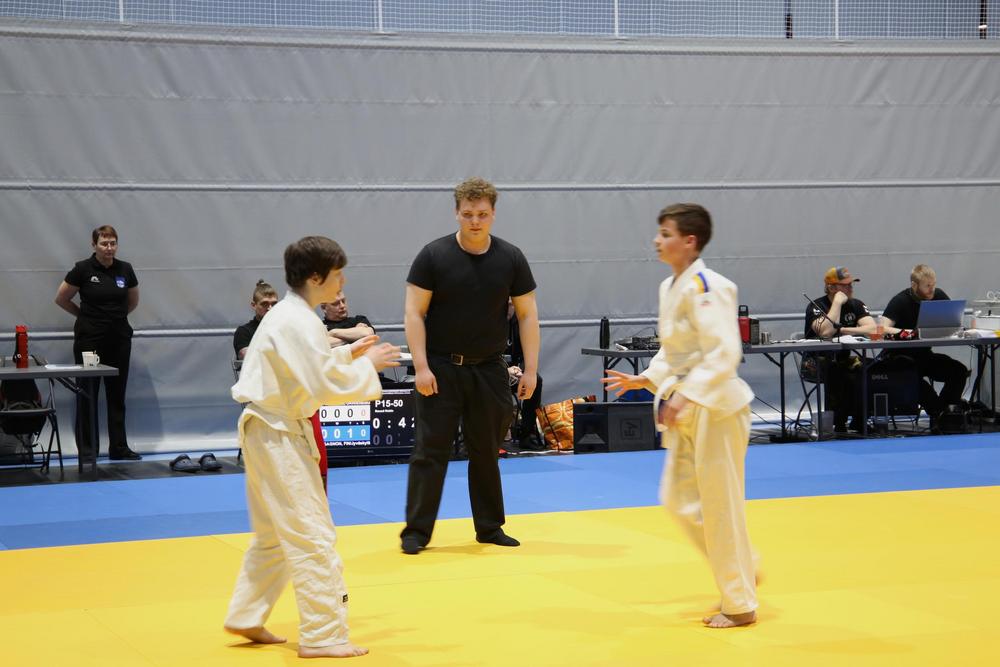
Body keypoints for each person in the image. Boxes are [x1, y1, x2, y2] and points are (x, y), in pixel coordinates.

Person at [224, 236, 399, 659]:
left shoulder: (292, 316)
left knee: (273, 534)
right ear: (316, 278)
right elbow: (320, 384)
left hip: (268, 428)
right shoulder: (296, 321)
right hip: (278, 433)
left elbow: (308, 368)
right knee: (312, 534)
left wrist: (350, 355)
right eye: (337, 275)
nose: (342, 284)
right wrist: (367, 366)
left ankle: (247, 613)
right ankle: (323, 634)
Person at [602, 203, 758, 629]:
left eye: (666, 233)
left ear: (690, 241)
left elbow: (724, 352)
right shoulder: (670, 286)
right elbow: (676, 352)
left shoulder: (710, 286)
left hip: (717, 407)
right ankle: (744, 564)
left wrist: (686, 395)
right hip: (687, 405)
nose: (658, 240)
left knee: (720, 506)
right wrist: (647, 378)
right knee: (677, 500)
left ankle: (740, 603)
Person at [400, 177, 539, 555]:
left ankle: (490, 527)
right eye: (467, 214)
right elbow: (414, 313)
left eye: (482, 214)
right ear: (456, 213)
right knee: (430, 451)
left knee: (487, 450)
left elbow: (527, 315)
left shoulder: (511, 258)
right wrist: (421, 366)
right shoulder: (433, 256)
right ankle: (416, 531)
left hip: (490, 368)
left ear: (493, 213)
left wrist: (529, 369)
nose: (475, 221)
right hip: (441, 368)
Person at [54, 225, 141, 461]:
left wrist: (114, 318)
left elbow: (133, 301)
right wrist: (84, 316)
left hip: (119, 340)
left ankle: (119, 448)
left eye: (113, 243)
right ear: (94, 245)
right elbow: (61, 298)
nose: (109, 248)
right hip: (89, 341)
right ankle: (88, 451)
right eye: (104, 243)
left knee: (117, 394)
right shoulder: (82, 269)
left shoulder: (125, 269)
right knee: (87, 393)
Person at [881, 264, 969, 427]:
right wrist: (908, 333)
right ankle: (939, 412)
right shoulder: (900, 301)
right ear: (914, 285)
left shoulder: (938, 295)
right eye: (927, 286)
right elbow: (882, 328)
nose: (931, 289)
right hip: (899, 359)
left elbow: (953, 320)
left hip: (924, 356)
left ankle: (946, 413)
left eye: (933, 284)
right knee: (914, 380)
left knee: (959, 371)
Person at [804, 266, 877, 433]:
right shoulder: (816, 306)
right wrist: (837, 302)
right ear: (831, 288)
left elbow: (872, 329)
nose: (850, 288)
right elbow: (825, 332)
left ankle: (860, 419)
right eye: (845, 285)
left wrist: (843, 330)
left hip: (844, 358)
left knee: (871, 367)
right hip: (816, 361)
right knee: (837, 371)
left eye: (851, 284)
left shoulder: (856, 304)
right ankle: (839, 422)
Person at [506, 300, 545, 450]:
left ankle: (526, 434)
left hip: (514, 372)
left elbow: (526, 355)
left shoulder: (520, 323)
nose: (509, 309)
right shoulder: (490, 322)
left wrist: (522, 371)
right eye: (506, 305)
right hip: (492, 373)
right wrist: (505, 370)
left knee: (536, 381)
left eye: (511, 305)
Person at [233, 280, 279, 359]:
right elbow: (248, 358)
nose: (270, 308)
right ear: (254, 305)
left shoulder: (282, 329)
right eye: (264, 304)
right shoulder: (244, 332)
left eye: (274, 304)